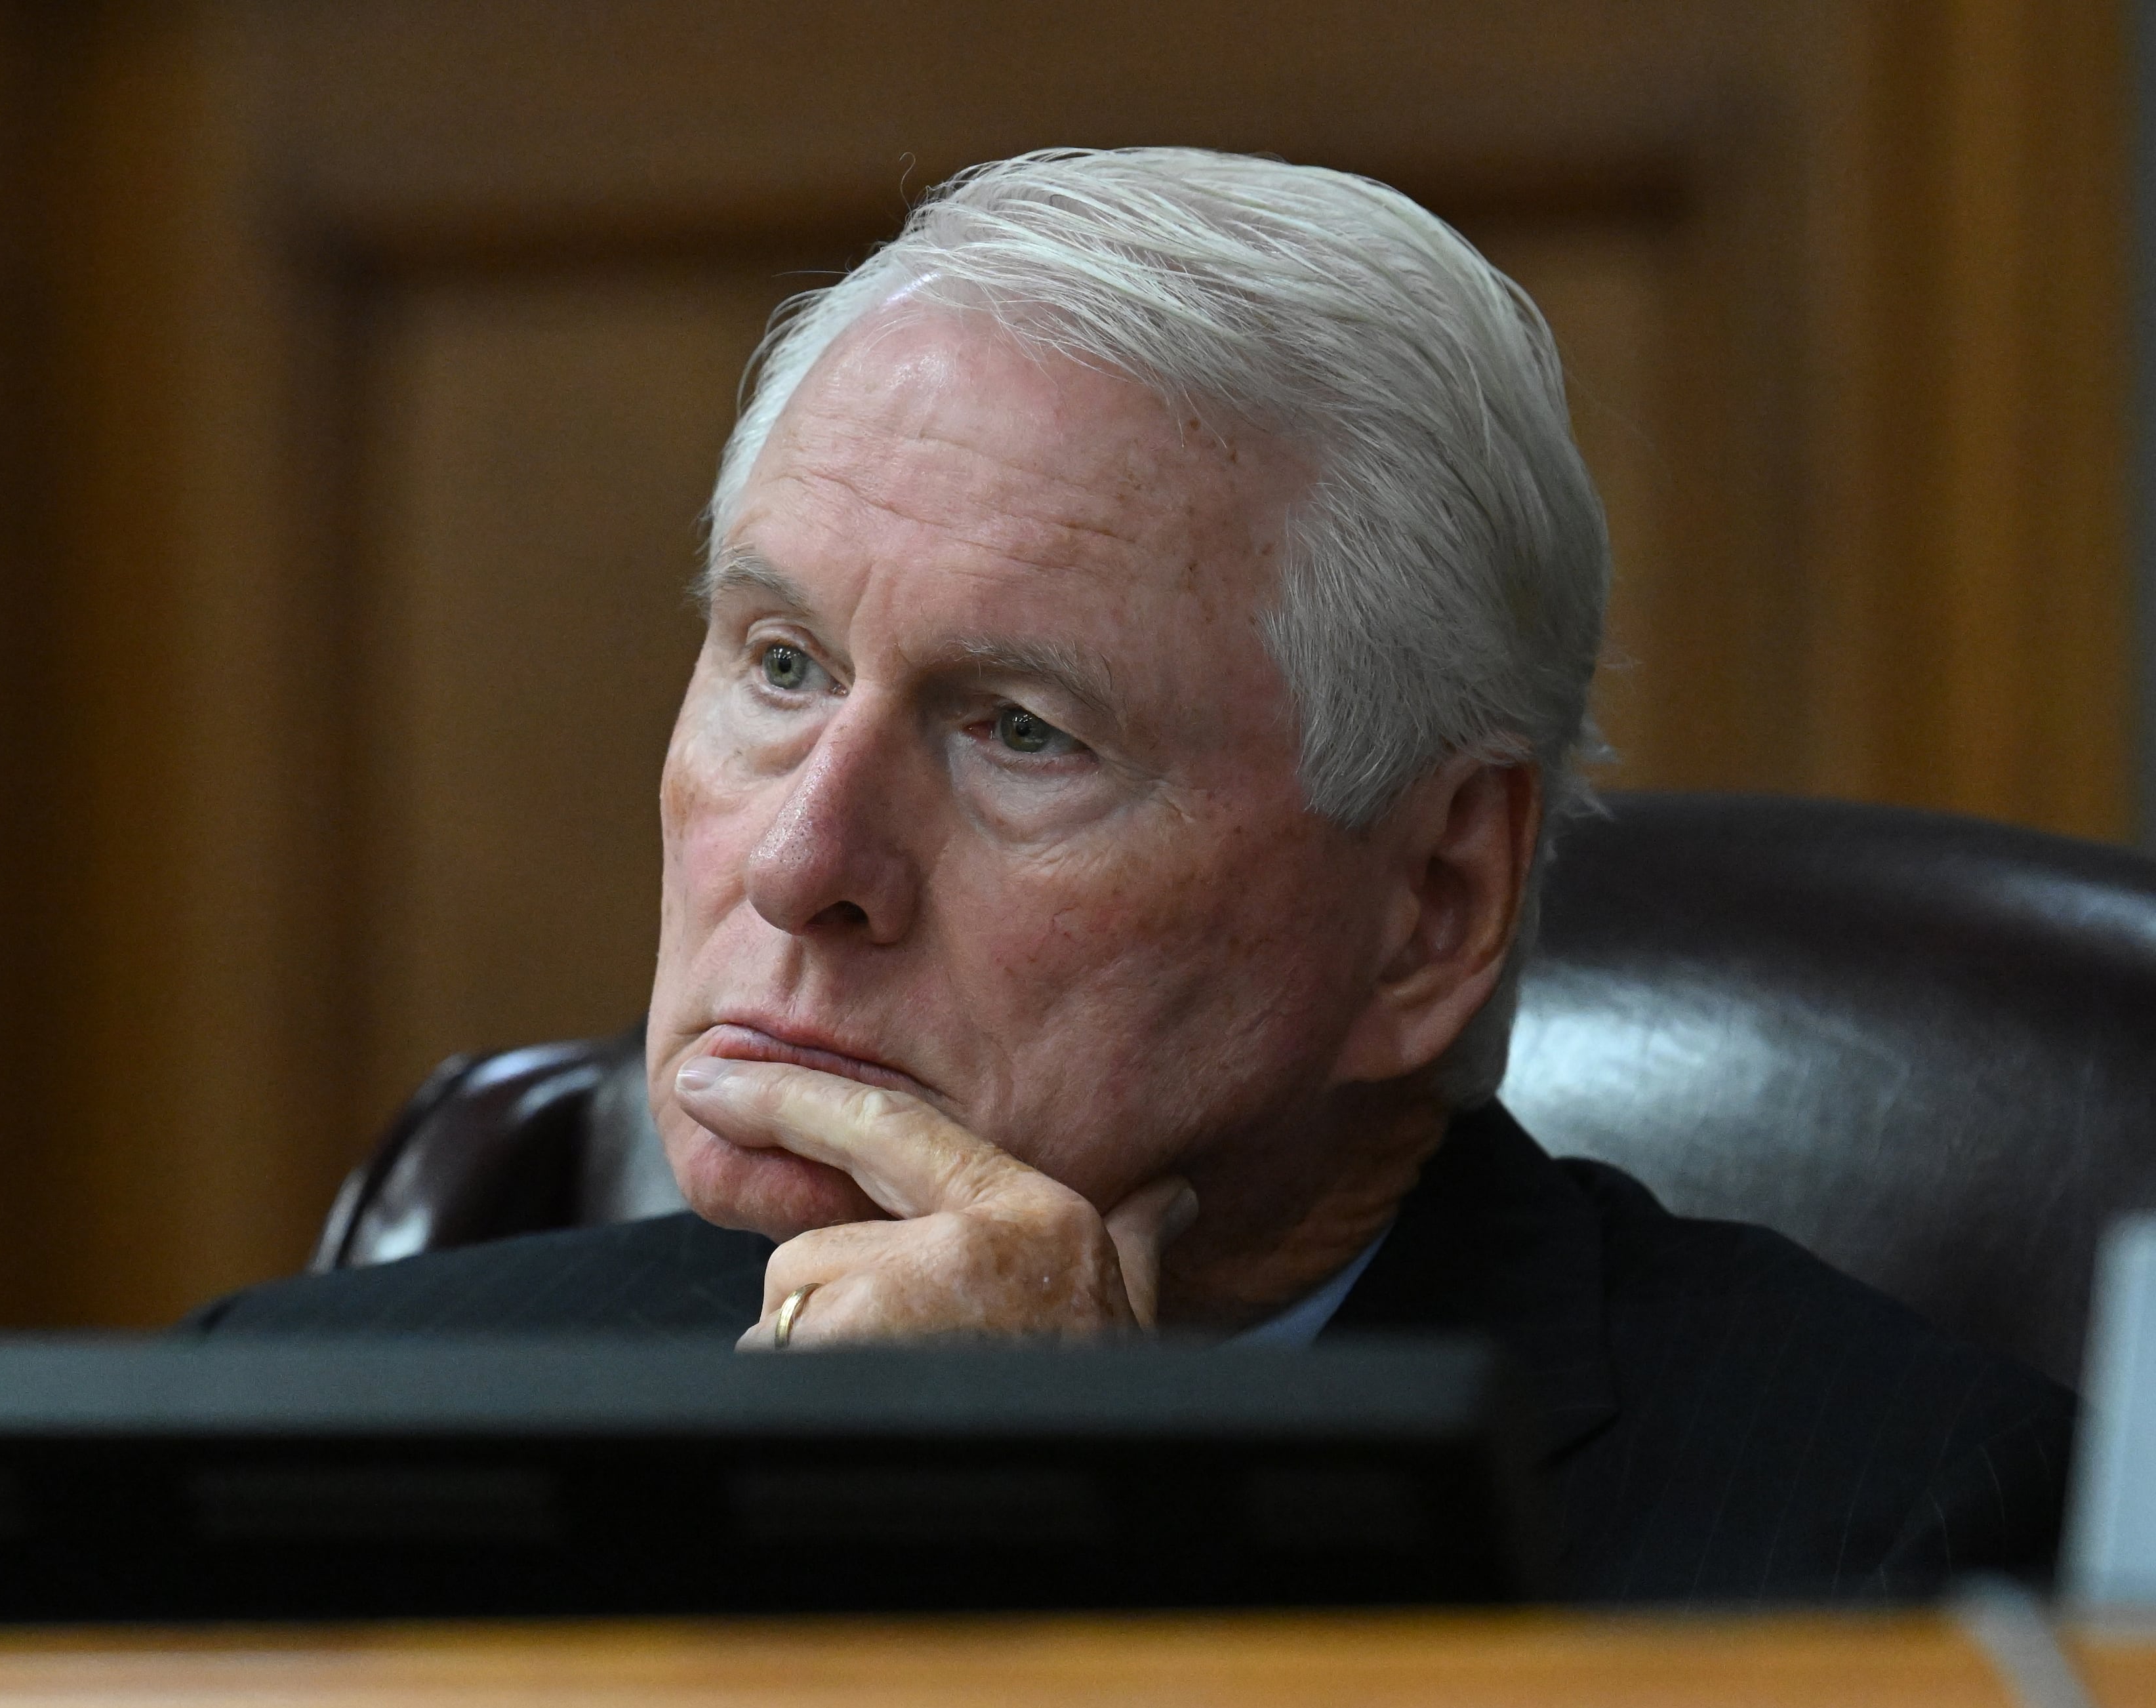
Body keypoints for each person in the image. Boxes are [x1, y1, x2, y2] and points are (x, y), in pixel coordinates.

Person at [194, 148, 2072, 1600]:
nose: (800, 861)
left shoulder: (1903, 1541)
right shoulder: (294, 1428)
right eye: (782, 666)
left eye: (1021, 730)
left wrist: (1102, 1534)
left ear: (1432, 906)